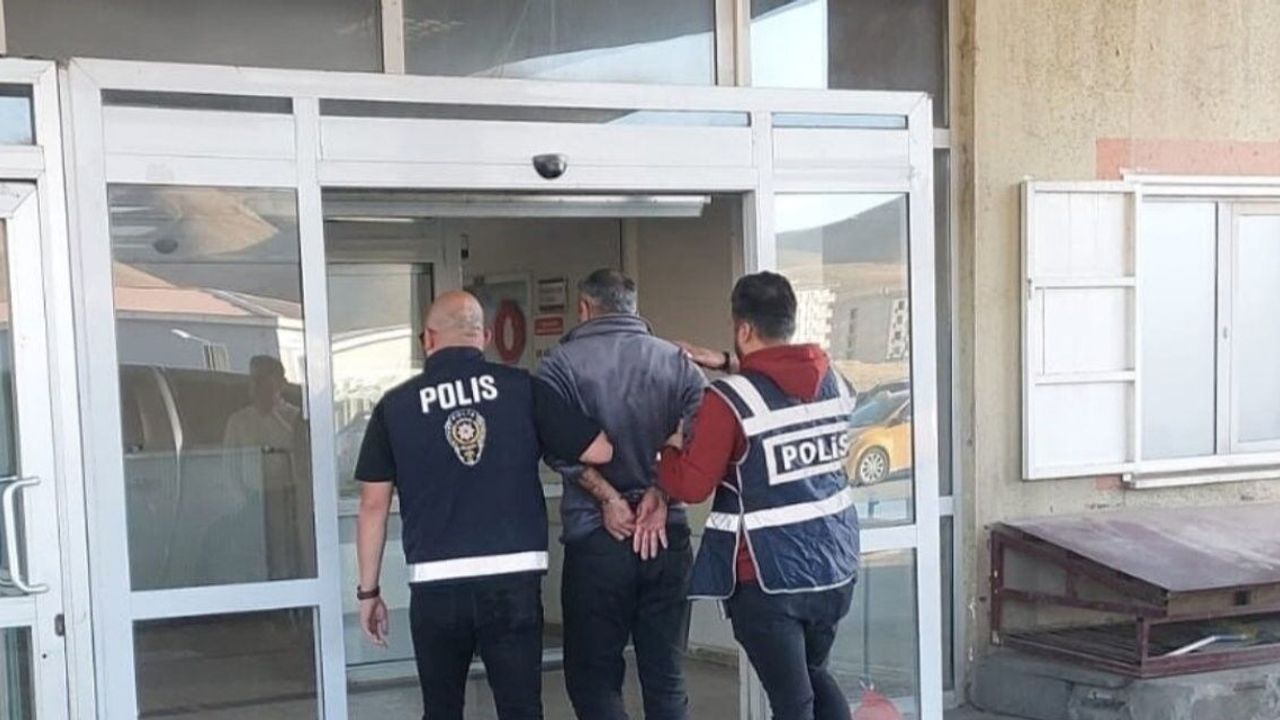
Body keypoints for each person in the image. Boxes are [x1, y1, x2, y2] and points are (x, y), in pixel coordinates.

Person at [354, 291, 614, 720]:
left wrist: (369, 592)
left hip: (436, 585)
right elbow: (599, 450)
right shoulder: (523, 389)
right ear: (486, 336)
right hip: (513, 581)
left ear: (428, 339)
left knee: (441, 710)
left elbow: (372, 506)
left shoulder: (395, 407)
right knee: (521, 709)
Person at [658, 272, 860, 720]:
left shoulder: (728, 400)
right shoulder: (834, 380)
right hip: (834, 568)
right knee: (813, 678)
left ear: (744, 328)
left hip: (768, 577)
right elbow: (785, 386)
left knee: (793, 702)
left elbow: (691, 486)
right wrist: (729, 361)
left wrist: (669, 448)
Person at [538, 269, 706, 720]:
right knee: (666, 678)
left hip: (598, 539)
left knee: (594, 681)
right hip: (666, 536)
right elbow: (702, 437)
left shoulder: (560, 365)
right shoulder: (677, 362)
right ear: (633, 306)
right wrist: (661, 492)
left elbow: (553, 443)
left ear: (584, 308)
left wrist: (609, 498)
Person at [223, 354, 314, 581]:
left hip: (289, 499)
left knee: (289, 557)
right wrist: (243, 502)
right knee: (257, 559)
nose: (257, 385)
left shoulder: (294, 419)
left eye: (264, 379)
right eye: (254, 379)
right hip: (253, 500)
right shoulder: (238, 421)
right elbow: (229, 466)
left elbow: (305, 464)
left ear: (279, 383)